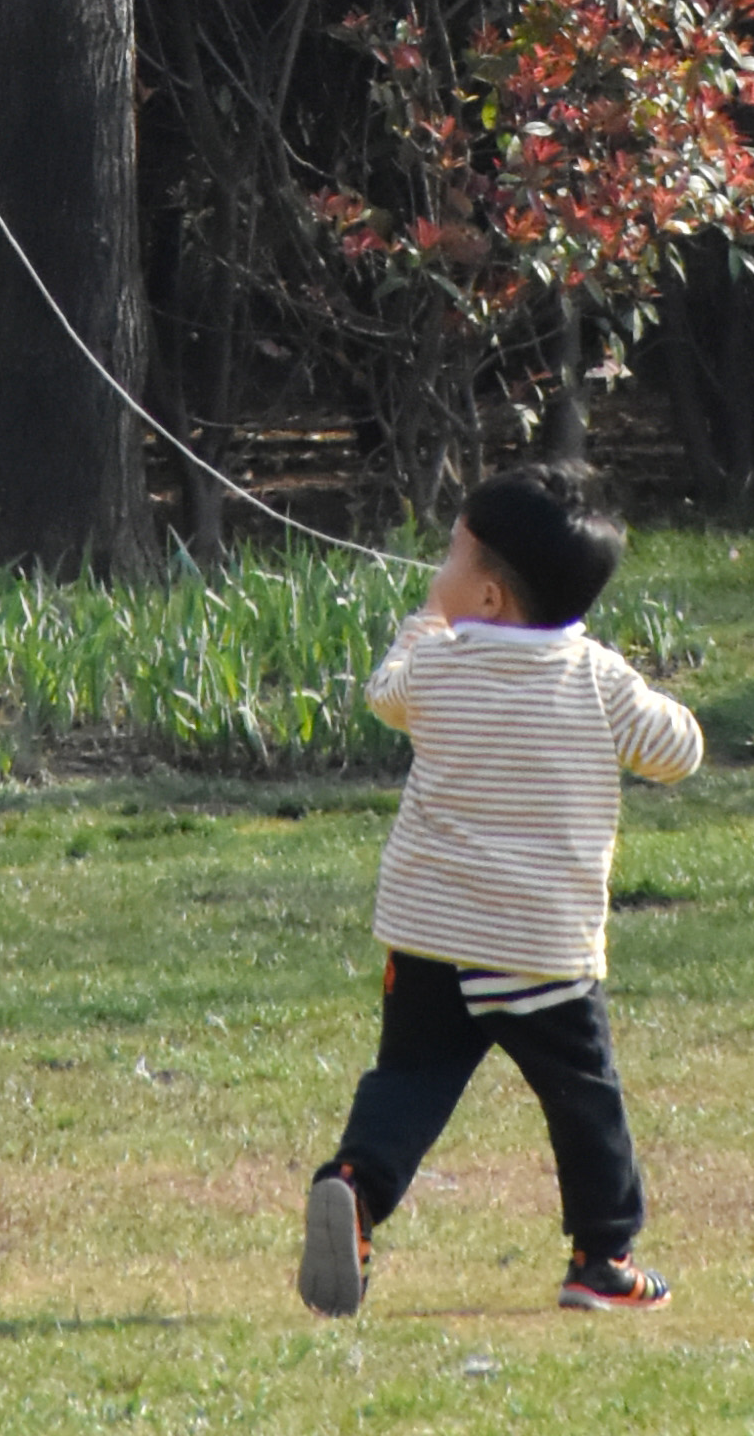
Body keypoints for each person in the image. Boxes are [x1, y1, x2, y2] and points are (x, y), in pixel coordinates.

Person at [299, 461, 703, 1322]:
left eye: (451, 554)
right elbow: (679, 751)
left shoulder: (438, 668)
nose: (436, 570)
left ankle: (355, 1189)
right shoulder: (597, 679)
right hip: (540, 949)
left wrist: (416, 631)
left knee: (409, 1078)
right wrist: (627, 680)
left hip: (430, 935)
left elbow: (386, 694)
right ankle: (602, 1258)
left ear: (487, 598)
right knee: (583, 1096)